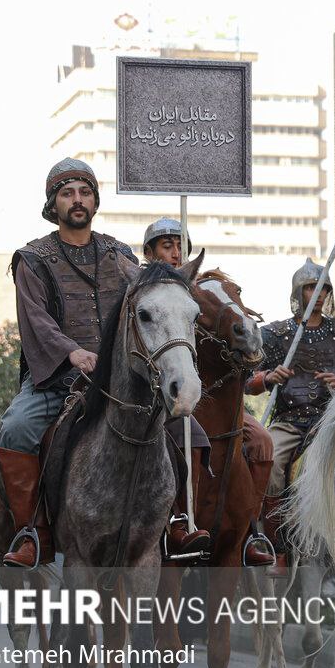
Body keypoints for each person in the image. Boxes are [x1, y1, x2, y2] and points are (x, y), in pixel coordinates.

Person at [0, 158, 140, 569]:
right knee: (15, 429)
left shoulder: (120, 254)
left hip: (117, 381)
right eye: (67, 193)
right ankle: (31, 531)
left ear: (94, 200)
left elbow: (143, 306)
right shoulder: (32, 258)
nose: (77, 200)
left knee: (191, 429)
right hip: (56, 380)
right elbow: (35, 320)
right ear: (53, 203)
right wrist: (71, 351)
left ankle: (180, 521)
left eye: (84, 192)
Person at [245, 260, 335, 575]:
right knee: (272, 463)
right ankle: (275, 545)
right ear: (299, 292)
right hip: (291, 421)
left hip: (331, 420)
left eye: (323, 288)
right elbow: (248, 380)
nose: (318, 294)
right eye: (311, 287)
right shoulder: (277, 334)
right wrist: (269, 377)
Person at [140, 218, 212, 558]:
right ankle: (37, 526)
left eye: (180, 245)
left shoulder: (189, 292)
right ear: (149, 252)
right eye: (168, 245)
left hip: (178, 383)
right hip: (139, 385)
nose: (176, 252)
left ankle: (183, 518)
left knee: (194, 435)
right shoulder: (137, 283)